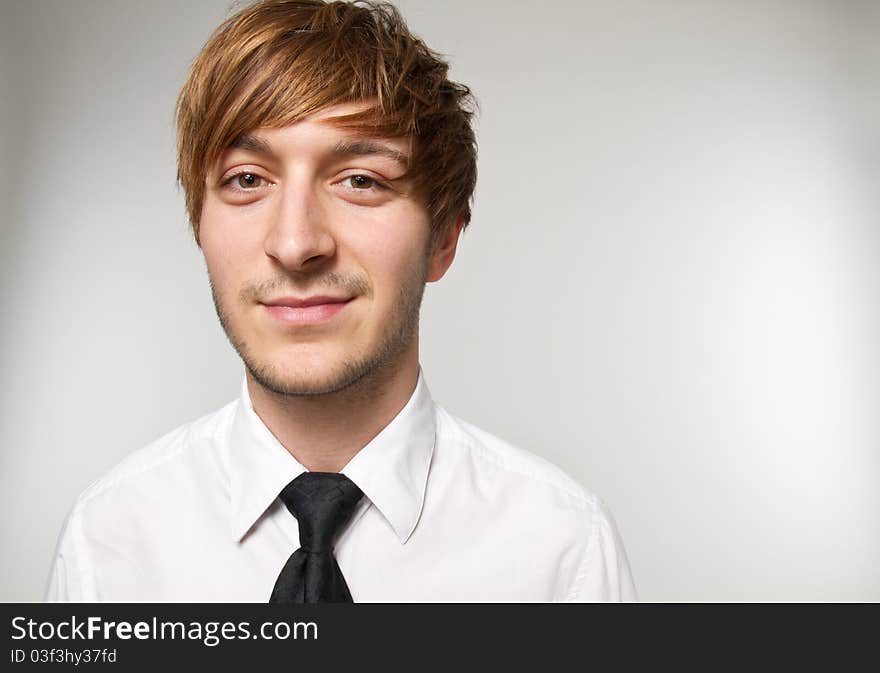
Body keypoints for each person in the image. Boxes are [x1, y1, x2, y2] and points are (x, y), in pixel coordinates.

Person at [45, 0, 636, 602]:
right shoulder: (106, 543)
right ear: (199, 224)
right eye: (247, 179)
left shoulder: (562, 551)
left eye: (361, 180)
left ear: (444, 239)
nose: (296, 243)